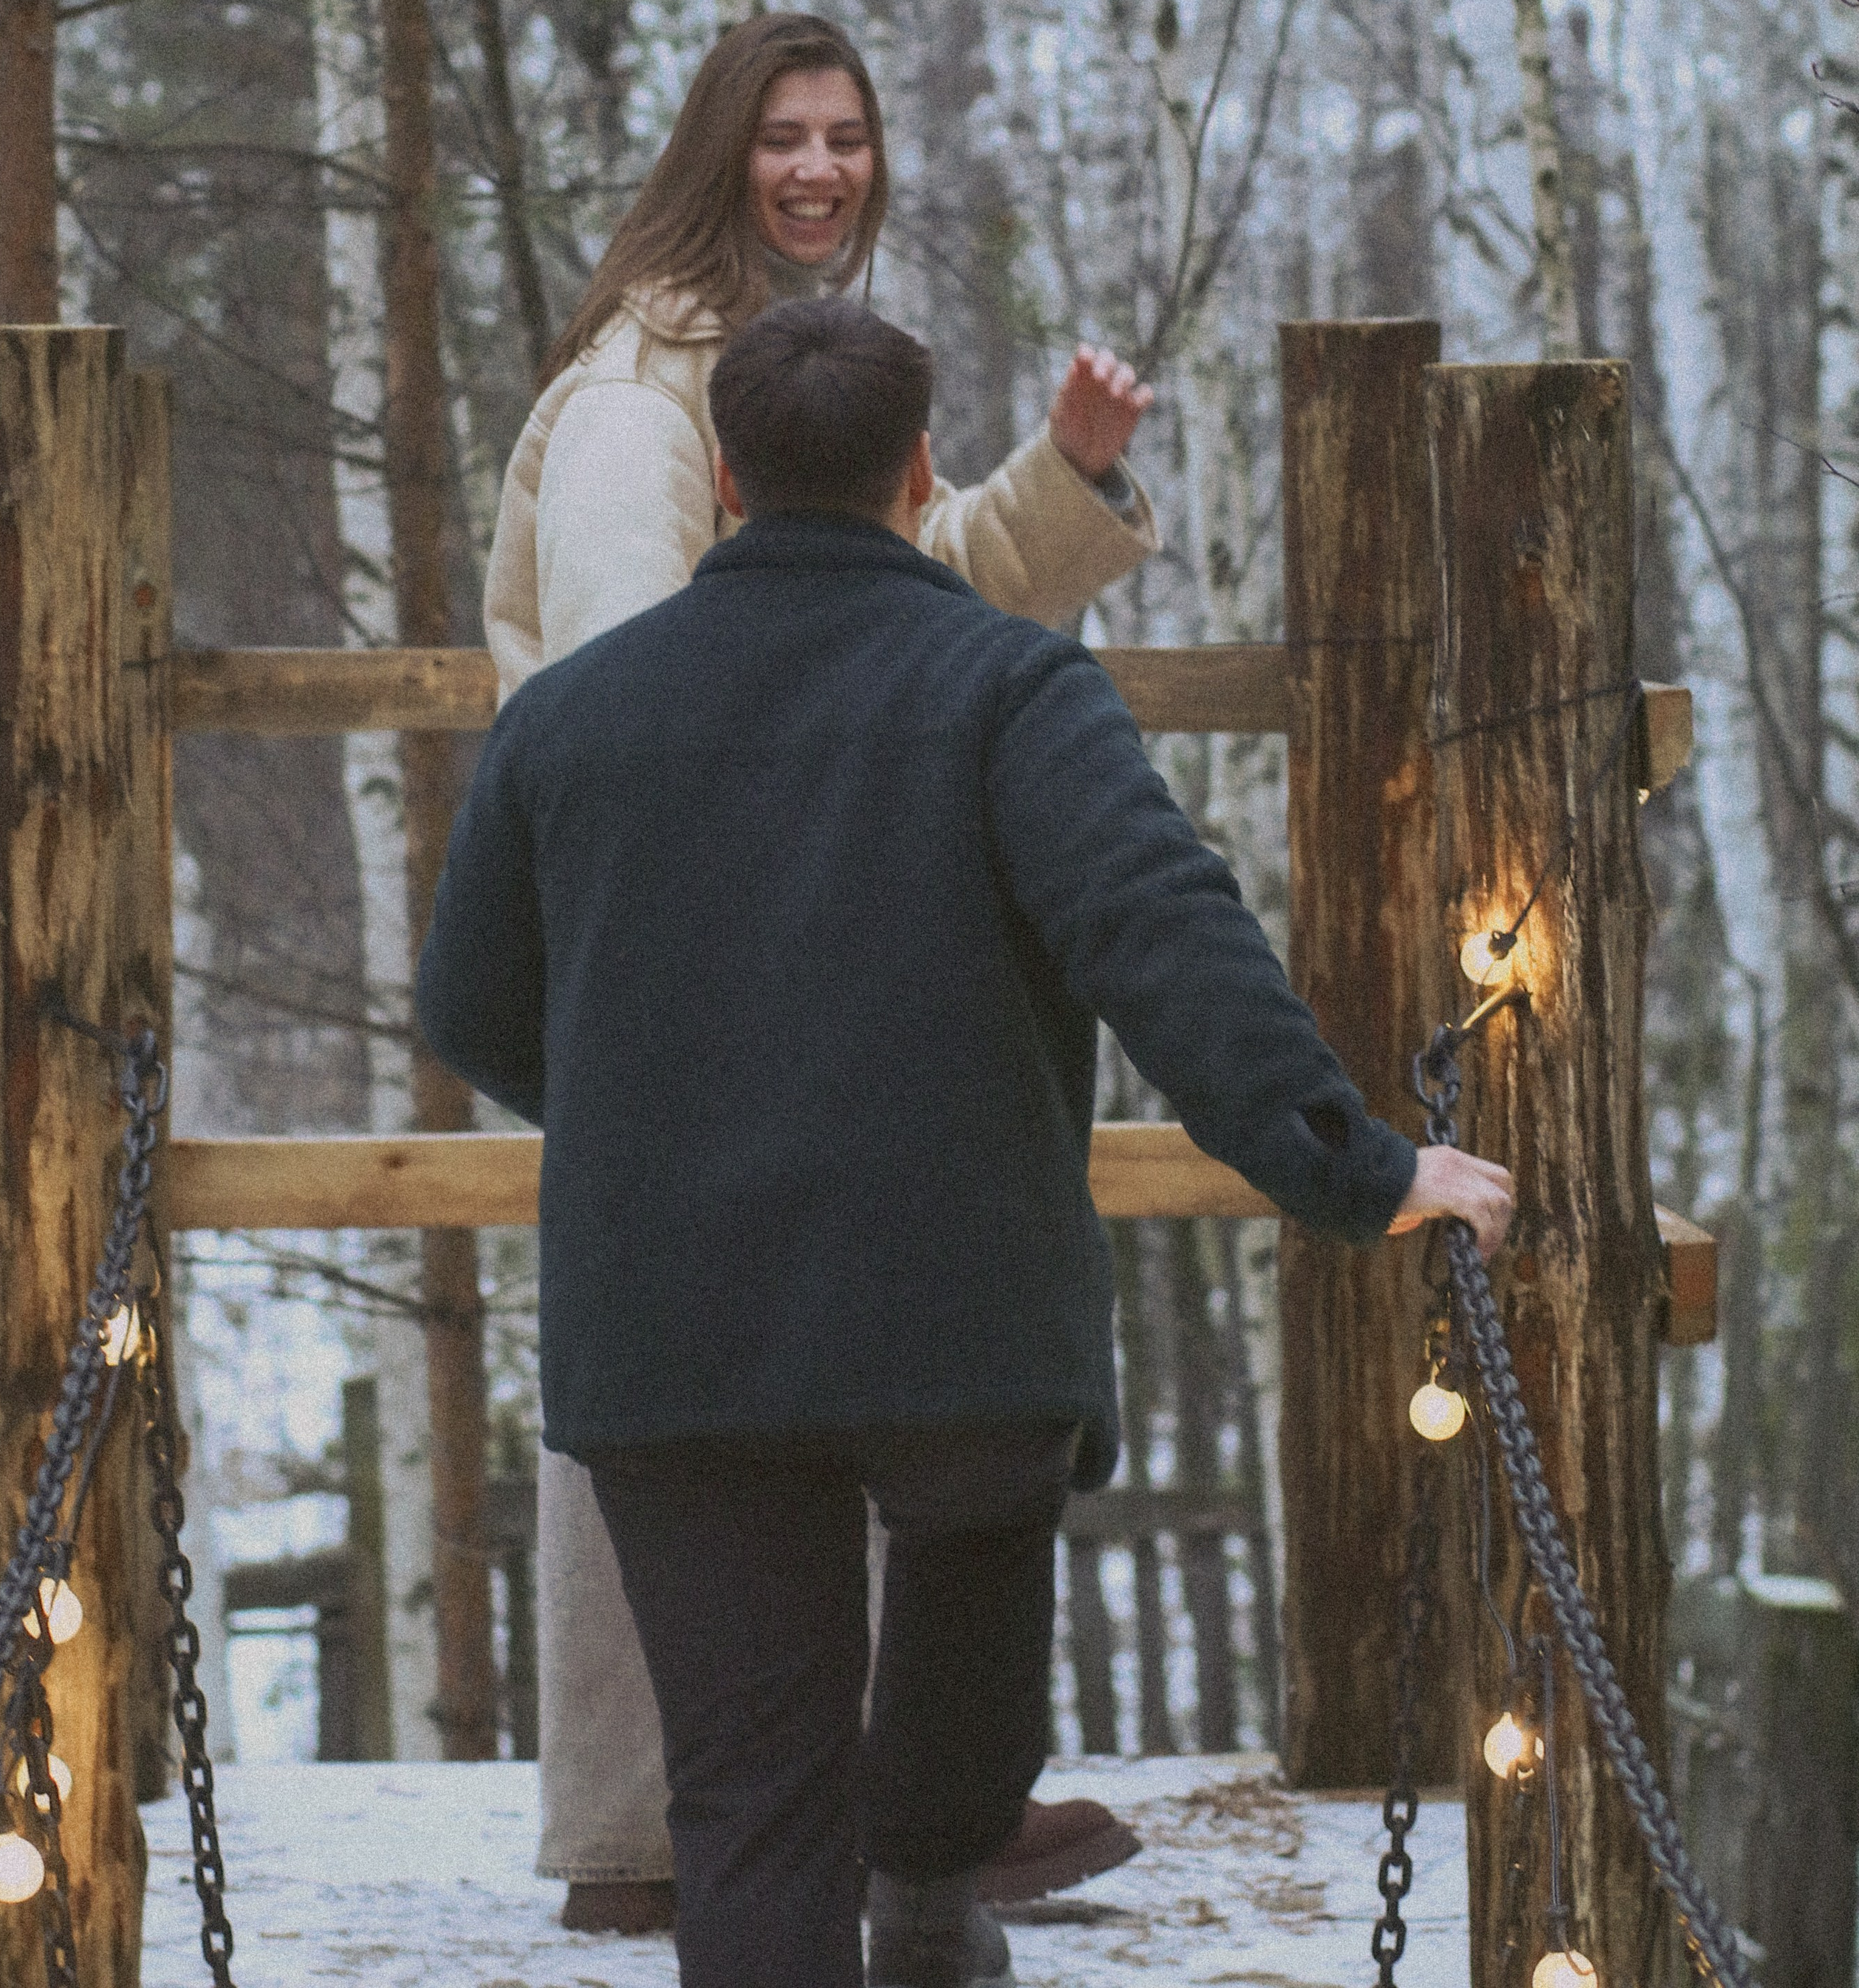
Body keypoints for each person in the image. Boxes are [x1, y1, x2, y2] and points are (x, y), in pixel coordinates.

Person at [422, 299, 1515, 1988]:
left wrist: (667, 1115)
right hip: (960, 1312)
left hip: (673, 1329)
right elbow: (1163, 934)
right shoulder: (1011, 686)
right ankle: (932, 1885)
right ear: (919, 468)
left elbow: (471, 1006)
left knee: (751, 1805)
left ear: (722, 476)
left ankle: (916, 1886)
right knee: (970, 1567)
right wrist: (1358, 1169)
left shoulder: (569, 720)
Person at [481, 11, 1162, 1930]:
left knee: (763, 1380)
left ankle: (871, 1800)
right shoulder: (638, 406)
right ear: (722, 151)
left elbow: (887, 592)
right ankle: (659, 1830)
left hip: (774, 943)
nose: (820, 167)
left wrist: (1056, 483)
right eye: (783, 134)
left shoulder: (771, 378)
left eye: (847, 133)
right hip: (698, 960)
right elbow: (653, 695)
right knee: (689, 1400)